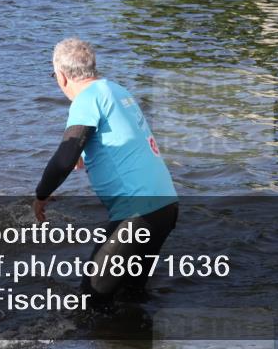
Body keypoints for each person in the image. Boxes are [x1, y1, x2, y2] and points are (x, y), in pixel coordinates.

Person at [33, 38, 179, 307]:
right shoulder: (116, 90)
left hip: (138, 213)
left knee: (91, 300)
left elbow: (63, 160)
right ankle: (138, 345)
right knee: (130, 295)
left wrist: (41, 194)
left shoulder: (86, 99)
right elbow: (122, 142)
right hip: (165, 206)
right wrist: (85, 154)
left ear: (62, 77)